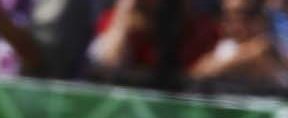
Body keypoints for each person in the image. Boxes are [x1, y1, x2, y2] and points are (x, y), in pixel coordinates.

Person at [86, 0, 218, 86]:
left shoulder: (202, 27)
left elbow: (196, 77)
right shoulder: (119, 20)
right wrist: (124, 12)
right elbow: (108, 61)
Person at [189, 0, 288, 93]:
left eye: (241, 15)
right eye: (227, 17)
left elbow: (259, 54)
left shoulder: (268, 46)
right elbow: (197, 73)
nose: (233, 24)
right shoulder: (227, 47)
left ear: (259, 19)